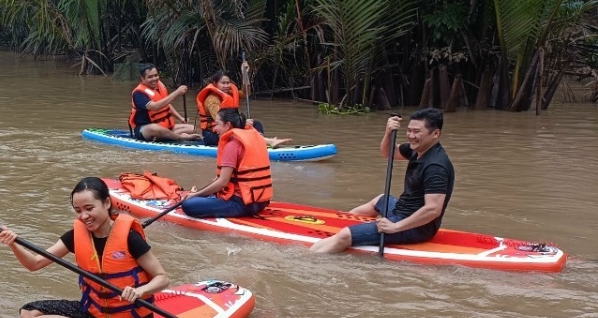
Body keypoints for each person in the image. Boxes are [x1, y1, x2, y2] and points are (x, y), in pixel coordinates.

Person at [0, 177, 170, 318]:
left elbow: (162, 278)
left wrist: (140, 291)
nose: (83, 216)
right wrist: (13, 244)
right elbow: (35, 264)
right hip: (94, 314)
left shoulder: (130, 238)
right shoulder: (76, 236)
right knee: (29, 313)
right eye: (78, 210)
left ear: (107, 203)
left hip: (132, 317)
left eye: (89, 208)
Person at [310, 108, 455, 254]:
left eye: (417, 132)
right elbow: (388, 152)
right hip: (402, 210)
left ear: (435, 134)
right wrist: (388, 132)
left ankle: (328, 247)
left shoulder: (436, 167)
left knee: (345, 236)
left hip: (417, 226)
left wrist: (395, 227)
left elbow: (433, 210)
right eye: (409, 130)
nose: (411, 136)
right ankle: (340, 227)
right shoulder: (417, 149)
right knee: (380, 200)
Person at [180, 109, 274, 218]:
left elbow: (223, 182)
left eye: (217, 124)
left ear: (228, 124)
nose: (215, 129)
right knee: (203, 196)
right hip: (261, 202)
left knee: (188, 205)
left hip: (243, 204)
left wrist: (196, 195)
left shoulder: (232, 145)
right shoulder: (256, 138)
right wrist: (201, 193)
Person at [128, 64, 199, 142]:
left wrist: (181, 118)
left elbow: (166, 104)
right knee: (154, 128)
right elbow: (155, 107)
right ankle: (180, 137)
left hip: (165, 126)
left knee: (193, 129)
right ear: (142, 78)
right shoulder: (138, 93)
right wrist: (177, 92)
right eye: (150, 77)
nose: (154, 79)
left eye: (156, 75)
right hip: (145, 128)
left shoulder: (159, 86)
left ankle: (164, 136)